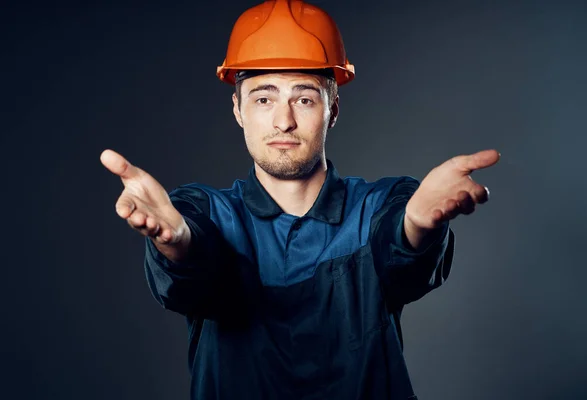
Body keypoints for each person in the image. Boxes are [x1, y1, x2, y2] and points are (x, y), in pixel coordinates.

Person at [100, 0, 500, 398]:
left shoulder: (380, 205)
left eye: (304, 98)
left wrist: (416, 226)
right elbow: (190, 264)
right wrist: (175, 243)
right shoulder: (206, 214)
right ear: (238, 109)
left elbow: (401, 248)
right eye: (263, 98)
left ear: (333, 108)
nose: (283, 120)